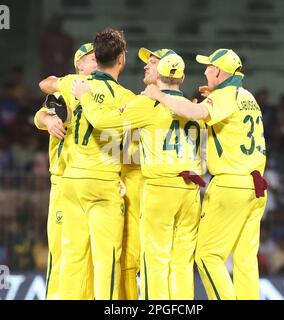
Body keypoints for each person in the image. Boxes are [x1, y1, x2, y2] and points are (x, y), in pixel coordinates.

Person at [72, 49, 206, 299]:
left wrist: (85, 97)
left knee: (152, 260)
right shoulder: (193, 107)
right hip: (190, 188)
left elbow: (102, 121)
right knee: (181, 263)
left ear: (161, 73)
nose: (146, 67)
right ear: (183, 78)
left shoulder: (146, 104)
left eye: (153, 63)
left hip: (158, 188)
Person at [142, 48, 267, 300]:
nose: (205, 70)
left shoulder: (224, 97)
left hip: (230, 185)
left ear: (219, 72)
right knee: (245, 260)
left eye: (209, 66)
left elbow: (195, 113)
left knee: (208, 256)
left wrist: (159, 95)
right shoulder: (247, 96)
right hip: (256, 186)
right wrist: (214, 98)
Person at [51, 29, 134, 300]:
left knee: (73, 257)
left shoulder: (73, 84)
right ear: (121, 59)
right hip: (102, 183)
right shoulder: (125, 98)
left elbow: (47, 84)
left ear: (96, 58)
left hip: (71, 182)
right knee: (106, 259)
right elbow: (130, 147)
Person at [34, 43, 97, 299]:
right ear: (79, 64)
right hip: (64, 183)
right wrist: (49, 120)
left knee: (93, 256)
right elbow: (39, 114)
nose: (96, 62)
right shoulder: (64, 93)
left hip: (95, 183)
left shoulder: (108, 94)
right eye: (91, 58)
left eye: (99, 58)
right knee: (62, 252)